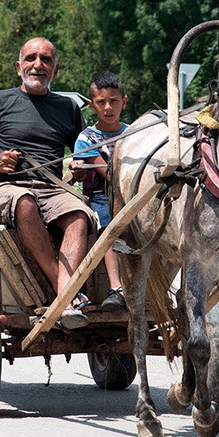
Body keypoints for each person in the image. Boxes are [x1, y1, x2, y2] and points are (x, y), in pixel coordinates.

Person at [0, 37, 95, 329]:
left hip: (52, 189)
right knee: (24, 201)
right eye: (31, 58)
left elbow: (85, 152)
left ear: (55, 70)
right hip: (4, 188)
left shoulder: (68, 108)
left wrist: (82, 167)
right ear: (19, 67)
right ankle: (66, 295)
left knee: (80, 215)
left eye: (46, 60)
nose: (37, 65)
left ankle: (63, 298)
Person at [69, 72, 129, 312]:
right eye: (101, 102)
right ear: (92, 105)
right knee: (110, 228)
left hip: (134, 195)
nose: (108, 107)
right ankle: (117, 288)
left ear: (124, 102)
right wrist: (78, 170)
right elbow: (109, 174)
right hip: (102, 196)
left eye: (113, 101)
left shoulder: (134, 132)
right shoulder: (86, 139)